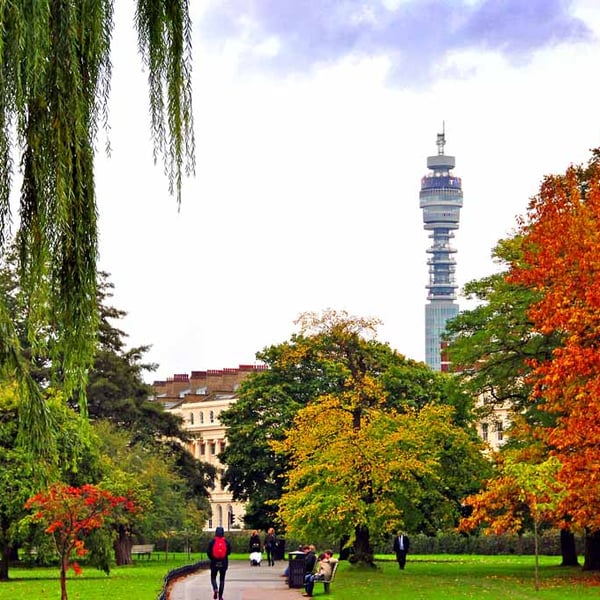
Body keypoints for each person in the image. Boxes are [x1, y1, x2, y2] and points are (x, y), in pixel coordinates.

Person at [207, 526, 232, 600]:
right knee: (222, 579)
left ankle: (215, 588)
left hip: (214, 562)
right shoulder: (226, 542)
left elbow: (208, 552)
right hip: (223, 562)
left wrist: (212, 558)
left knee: (213, 577)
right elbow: (229, 552)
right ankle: (220, 597)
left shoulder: (212, 542)